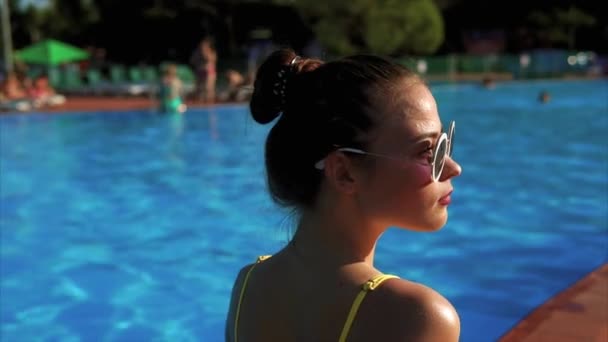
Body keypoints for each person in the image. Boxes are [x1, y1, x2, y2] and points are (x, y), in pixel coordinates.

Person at [225, 49, 462, 341]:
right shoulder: (417, 317)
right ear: (344, 173)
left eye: (444, 144)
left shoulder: (249, 284)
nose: (453, 167)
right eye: (427, 150)